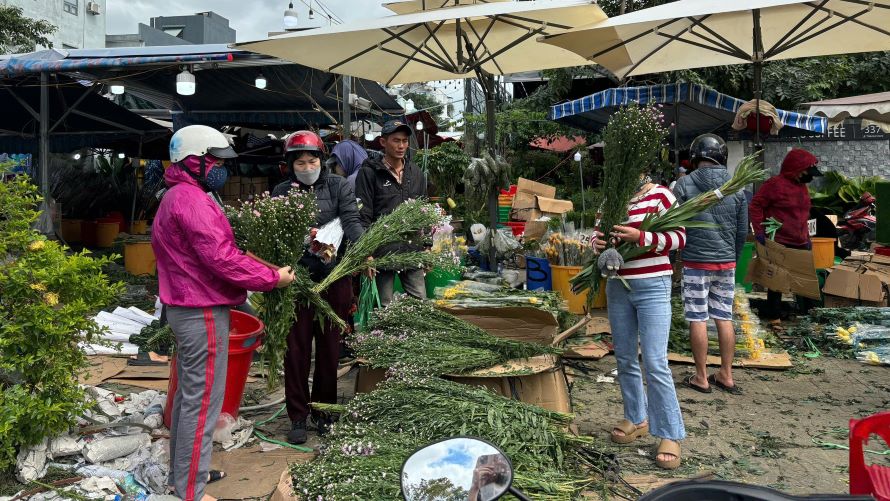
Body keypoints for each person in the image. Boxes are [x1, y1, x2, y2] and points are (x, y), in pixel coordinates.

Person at [153, 125, 296, 501]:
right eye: (214, 161)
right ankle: (190, 490)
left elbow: (214, 252)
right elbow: (220, 258)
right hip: (199, 310)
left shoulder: (180, 195)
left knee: (190, 398)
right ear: (193, 160)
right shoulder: (191, 200)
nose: (221, 168)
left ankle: (185, 476)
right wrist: (273, 278)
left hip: (189, 306)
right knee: (201, 403)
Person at [271, 130, 365, 445]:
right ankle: (297, 416)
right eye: (300, 162)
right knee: (296, 349)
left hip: (333, 278)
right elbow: (277, 235)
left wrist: (363, 247)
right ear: (290, 164)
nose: (307, 167)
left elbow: (351, 221)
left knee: (329, 349)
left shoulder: (339, 186)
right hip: (296, 281)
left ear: (321, 161)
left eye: (312, 161)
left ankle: (324, 412)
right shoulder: (281, 191)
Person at [592, 172, 686, 470]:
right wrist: (598, 244)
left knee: (655, 361)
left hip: (653, 285)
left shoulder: (661, 196)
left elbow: (679, 237)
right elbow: (595, 232)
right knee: (624, 357)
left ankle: (670, 433)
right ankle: (636, 417)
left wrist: (641, 238)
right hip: (618, 286)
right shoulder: (613, 198)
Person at [673, 134, 748, 395]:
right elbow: (742, 232)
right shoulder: (736, 186)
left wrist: (675, 261)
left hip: (696, 262)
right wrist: (733, 258)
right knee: (724, 316)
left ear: (695, 157)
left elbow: (673, 225)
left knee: (698, 317)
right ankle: (726, 374)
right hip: (726, 262)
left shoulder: (684, 184)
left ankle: (701, 377)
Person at [355, 120, 427, 305]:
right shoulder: (369, 173)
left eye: (404, 141)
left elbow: (424, 211)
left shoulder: (415, 173)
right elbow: (363, 215)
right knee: (384, 306)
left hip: (412, 249)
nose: (401, 146)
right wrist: (366, 253)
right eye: (396, 140)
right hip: (382, 252)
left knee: (420, 303)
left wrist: (427, 245)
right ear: (383, 142)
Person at [749, 148, 822, 320]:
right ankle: (774, 318)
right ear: (796, 170)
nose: (809, 177)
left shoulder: (802, 187)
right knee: (776, 284)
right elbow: (755, 206)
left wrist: (807, 237)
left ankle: (810, 318)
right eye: (806, 172)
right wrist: (759, 231)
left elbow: (802, 215)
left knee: (805, 283)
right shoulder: (774, 185)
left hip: (801, 242)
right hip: (780, 241)